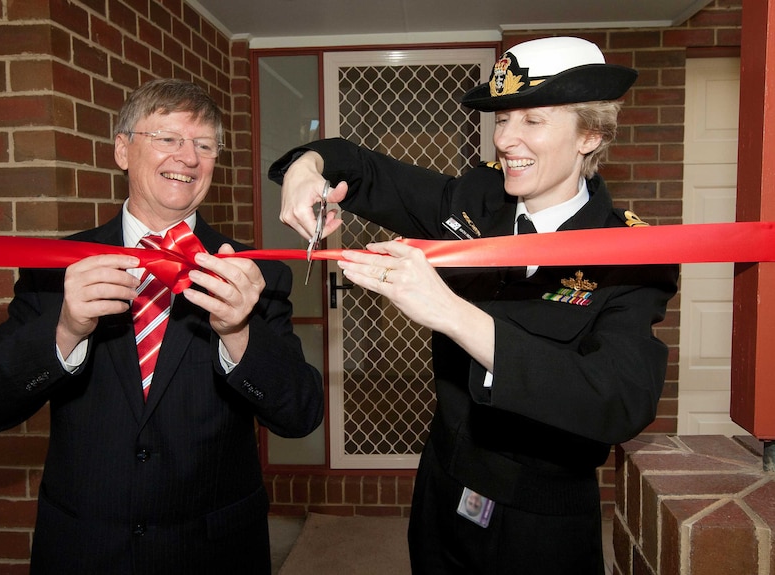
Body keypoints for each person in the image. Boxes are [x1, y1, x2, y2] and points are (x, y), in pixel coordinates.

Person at [270, 37, 678, 574]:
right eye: (501, 118)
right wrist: (307, 168)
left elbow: (619, 400)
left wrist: (450, 311)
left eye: (532, 120)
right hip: (443, 489)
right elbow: (360, 167)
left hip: (541, 520)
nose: (506, 139)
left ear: (591, 134)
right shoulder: (472, 201)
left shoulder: (631, 253)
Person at [0, 78, 324, 574]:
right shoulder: (57, 266)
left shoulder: (252, 274)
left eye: (203, 145)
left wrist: (238, 332)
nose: (188, 158)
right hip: (85, 549)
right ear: (123, 151)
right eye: (167, 139)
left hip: (214, 550)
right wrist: (65, 328)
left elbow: (300, 414)